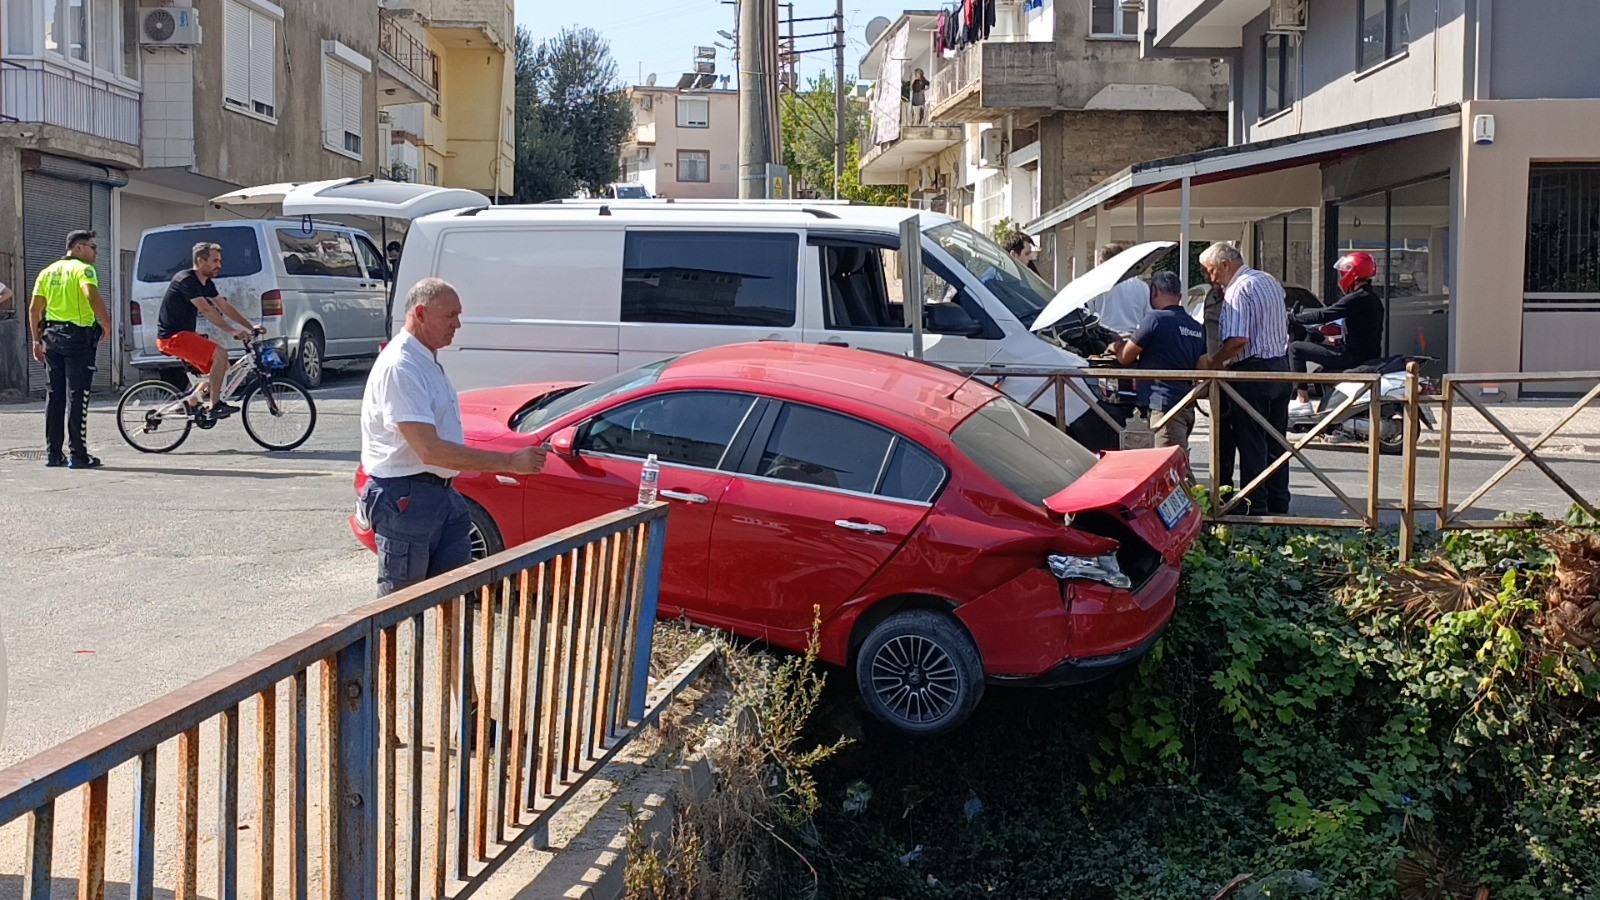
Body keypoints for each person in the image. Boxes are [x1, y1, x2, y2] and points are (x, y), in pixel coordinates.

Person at [360, 277, 547, 597]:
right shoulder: (401, 366)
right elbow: (429, 450)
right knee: (394, 606)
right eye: (450, 315)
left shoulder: (423, 358)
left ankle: (435, 647)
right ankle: (364, 650)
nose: (458, 324)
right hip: (406, 496)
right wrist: (511, 463)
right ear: (420, 313)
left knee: (452, 597)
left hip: (437, 494)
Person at [1197, 242, 1292, 516]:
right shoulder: (1268, 280)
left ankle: (1254, 505)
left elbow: (1239, 339)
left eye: (1212, 271)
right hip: (1281, 369)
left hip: (1252, 372)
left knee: (1252, 442)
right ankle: (1278, 501)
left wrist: (1214, 363)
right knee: (1276, 440)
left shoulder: (1238, 289)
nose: (1211, 278)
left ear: (1226, 265)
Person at [29, 230, 110, 469]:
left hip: (51, 337)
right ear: (78, 248)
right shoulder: (83, 269)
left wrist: (36, 341)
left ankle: (54, 454)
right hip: (78, 338)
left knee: (54, 395)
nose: (96, 253)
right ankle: (78, 454)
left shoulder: (47, 272)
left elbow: (35, 310)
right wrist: (106, 323)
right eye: (93, 248)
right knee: (78, 395)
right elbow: (91, 294)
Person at [158, 242, 262, 417]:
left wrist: (250, 327)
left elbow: (225, 306)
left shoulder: (206, 283)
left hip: (185, 336)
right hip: (173, 338)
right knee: (220, 354)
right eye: (214, 261)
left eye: (220, 261)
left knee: (222, 365)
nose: (219, 265)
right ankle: (215, 406)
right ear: (200, 261)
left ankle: (190, 403)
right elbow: (206, 309)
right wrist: (232, 331)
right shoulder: (186, 280)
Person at [1112, 271, 1205, 450]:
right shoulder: (1195, 327)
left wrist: (1116, 345)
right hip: (1186, 406)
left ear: (1154, 292)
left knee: (1170, 466)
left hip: (1163, 407)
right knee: (1175, 461)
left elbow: (1125, 357)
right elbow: (1203, 365)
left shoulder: (1154, 320)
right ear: (1179, 296)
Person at [1288, 252, 1386, 411]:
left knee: (1296, 349)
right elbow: (1363, 329)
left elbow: (1324, 314)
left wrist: (1293, 318)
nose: (1341, 278)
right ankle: (1331, 409)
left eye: (1343, 274)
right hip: (1365, 354)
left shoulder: (1357, 298)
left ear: (1353, 273)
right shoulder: (1371, 298)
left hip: (1352, 357)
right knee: (1324, 369)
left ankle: (1303, 401)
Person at [1088, 243, 1152, 336]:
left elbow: (1088, 315)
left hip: (1106, 339)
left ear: (1101, 262)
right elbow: (1148, 317)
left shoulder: (1094, 286)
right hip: (1133, 340)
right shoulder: (1142, 286)